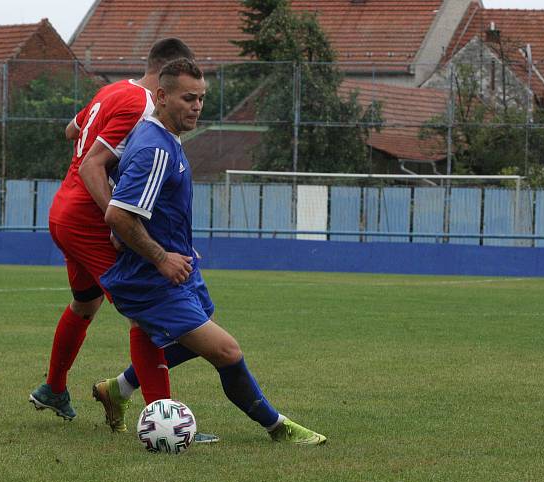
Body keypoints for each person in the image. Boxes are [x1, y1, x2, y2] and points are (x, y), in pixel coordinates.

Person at [101, 58, 327, 444]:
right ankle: (279, 428)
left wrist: (177, 245)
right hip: (153, 280)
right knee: (226, 350)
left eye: (202, 99)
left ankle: (118, 389)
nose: (197, 106)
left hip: (176, 267)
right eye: (188, 98)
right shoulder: (155, 148)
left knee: (193, 337)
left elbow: (139, 203)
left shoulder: (160, 137)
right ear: (161, 96)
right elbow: (118, 214)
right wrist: (161, 256)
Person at [28, 38, 215, 441]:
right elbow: (94, 167)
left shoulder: (112, 91)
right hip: (87, 217)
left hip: (63, 209)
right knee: (146, 311)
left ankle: (54, 388)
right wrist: (118, 226)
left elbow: (70, 131)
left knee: (84, 303)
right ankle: (165, 419)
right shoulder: (141, 105)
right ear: (165, 75)